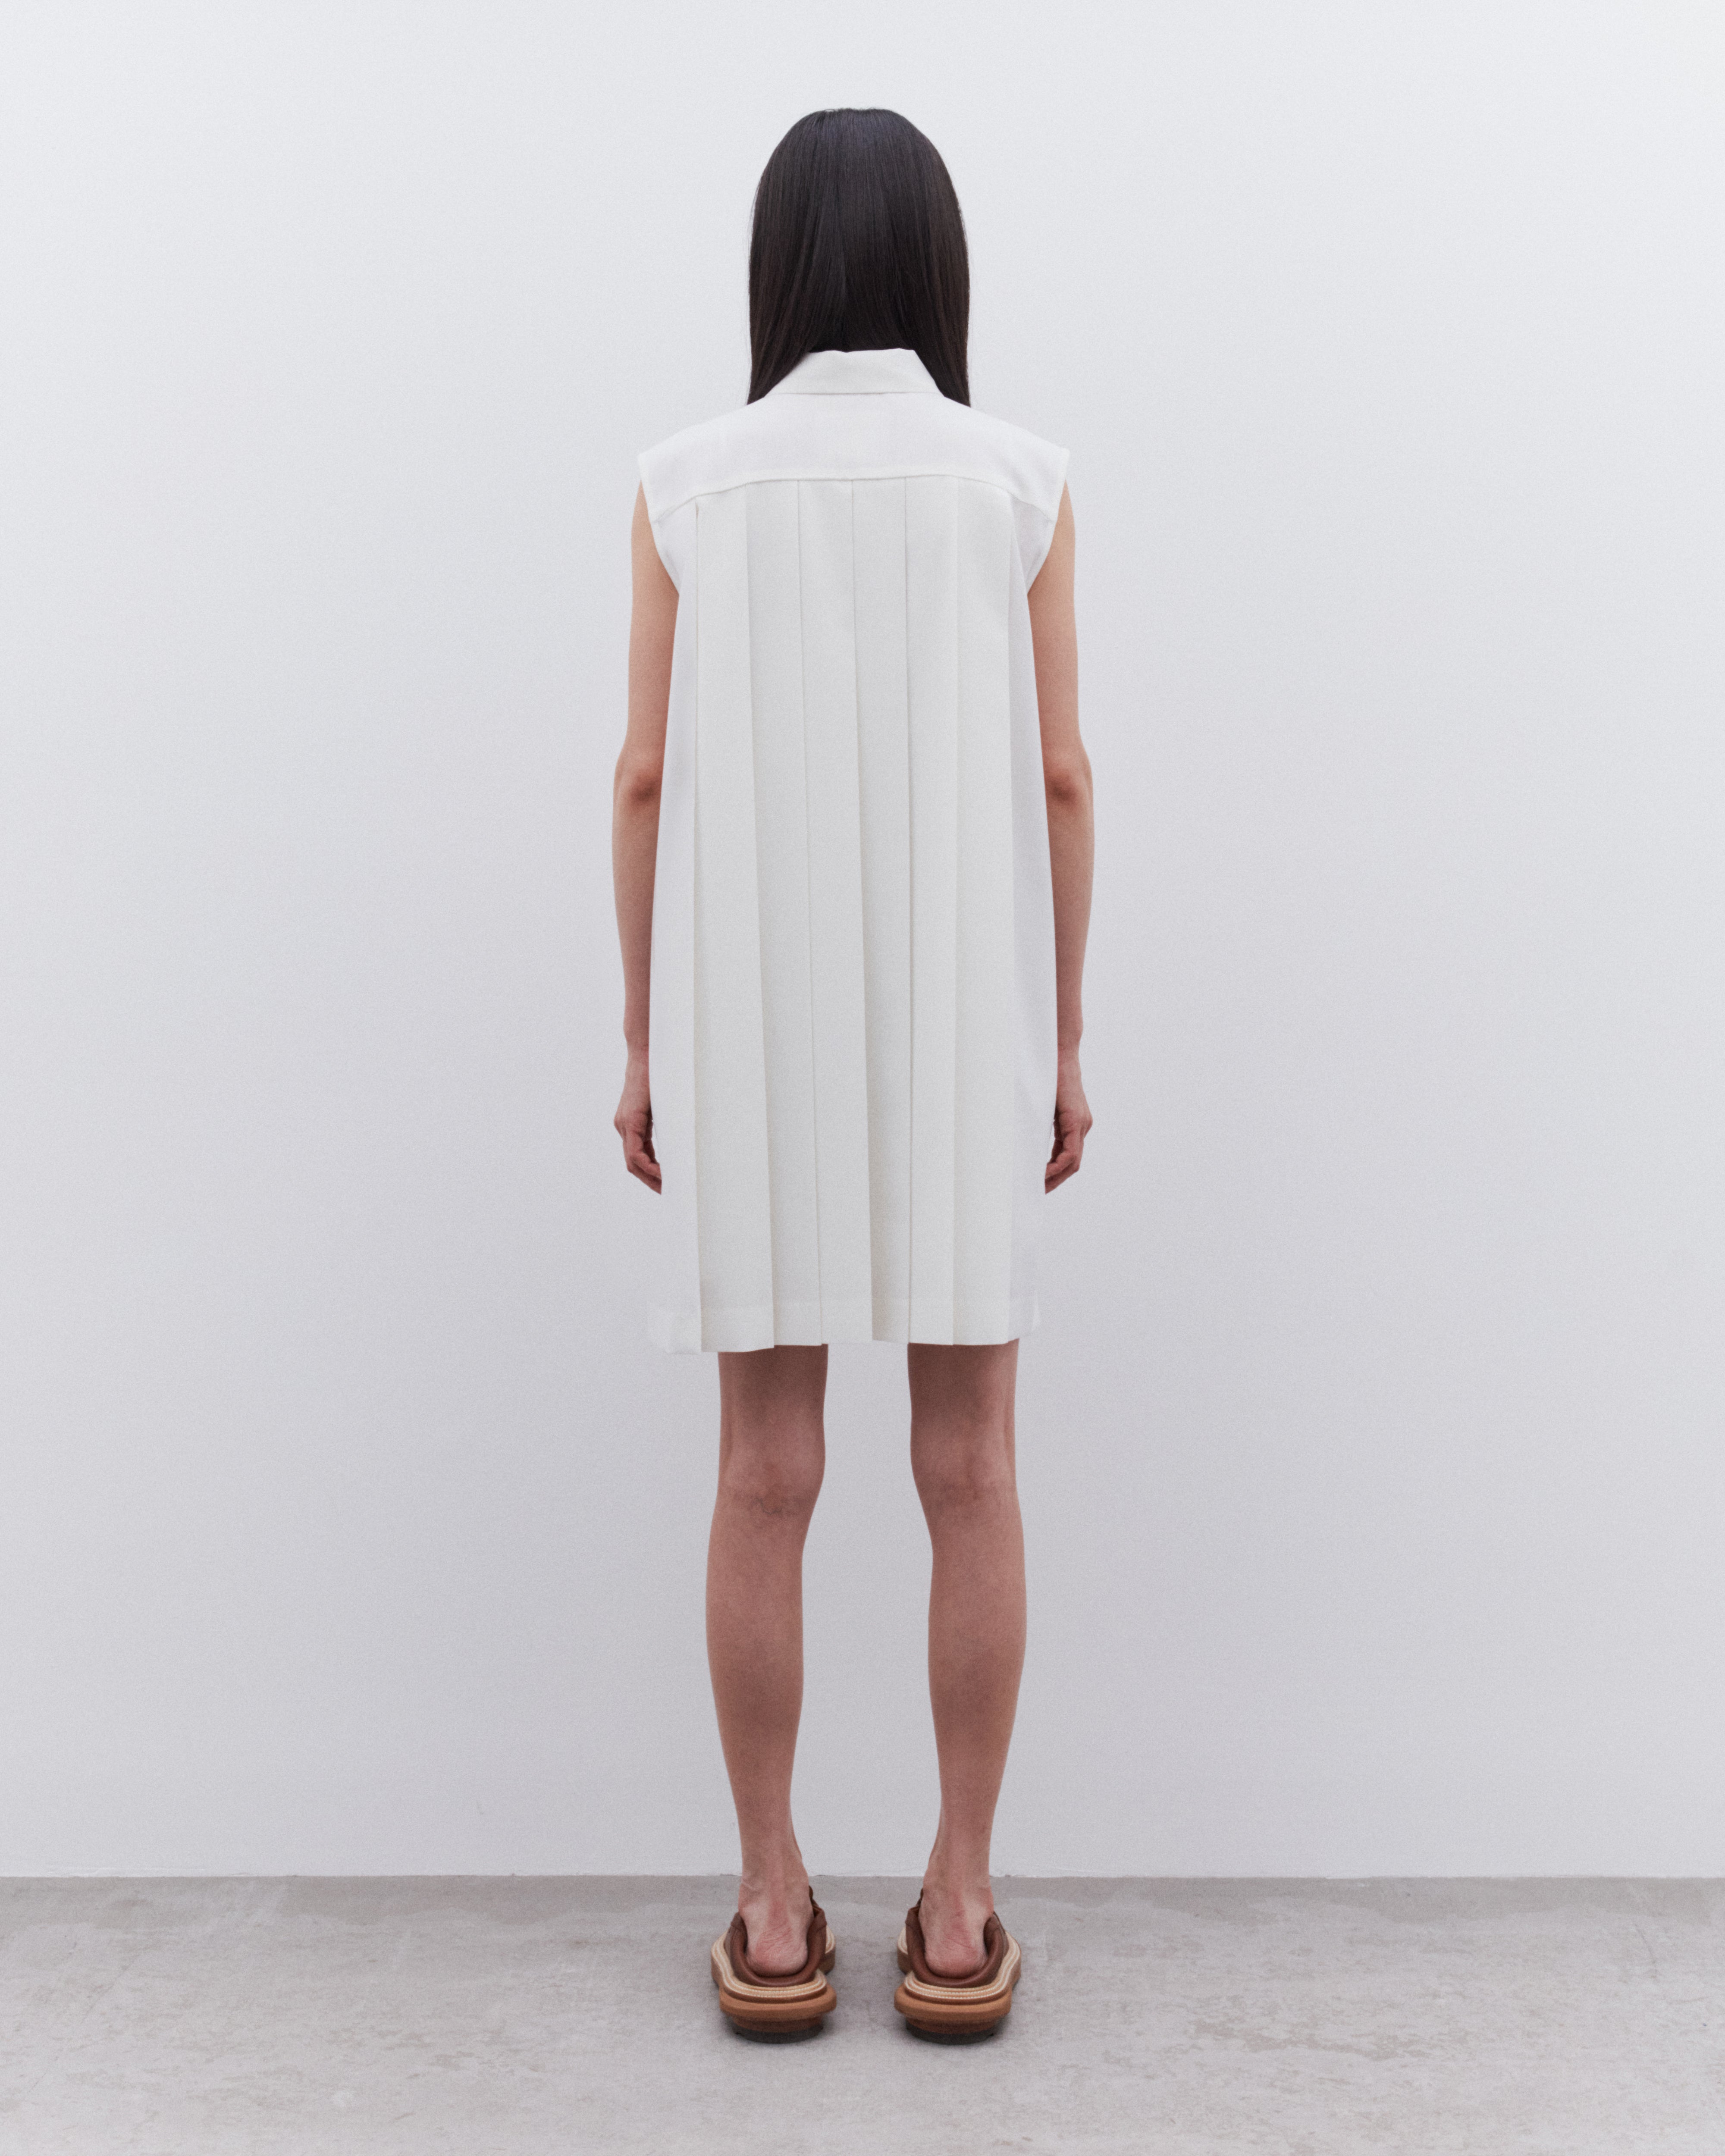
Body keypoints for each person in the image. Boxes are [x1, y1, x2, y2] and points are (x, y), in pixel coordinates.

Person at [611, 107, 1093, 2042]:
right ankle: (958, 1912)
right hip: (962, 1013)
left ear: (776, 270)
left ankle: (770, 1901)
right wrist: (1067, 1037)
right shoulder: (1019, 482)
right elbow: (1061, 776)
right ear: (937, 269)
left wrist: (640, 1038)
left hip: (753, 1020)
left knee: (763, 1471)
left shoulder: (685, 485)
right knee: (970, 1467)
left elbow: (644, 777)